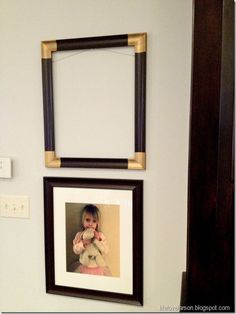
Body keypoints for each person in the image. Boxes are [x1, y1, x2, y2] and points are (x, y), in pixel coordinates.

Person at [72, 204, 111, 276]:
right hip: (84, 266)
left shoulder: (100, 235)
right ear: (83, 221)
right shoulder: (80, 235)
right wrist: (82, 243)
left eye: (94, 221)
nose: (90, 224)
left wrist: (97, 240)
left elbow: (106, 250)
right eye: (87, 220)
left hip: (98, 267)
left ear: (97, 223)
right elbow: (76, 250)